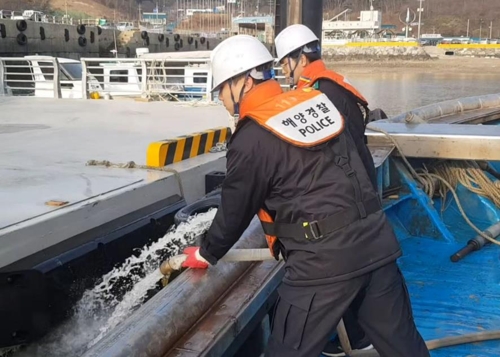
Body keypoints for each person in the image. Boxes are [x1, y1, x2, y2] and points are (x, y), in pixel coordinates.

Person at [181, 34, 430, 357]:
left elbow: (235, 209)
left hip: (321, 264)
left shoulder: (252, 136)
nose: (221, 100)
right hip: (376, 243)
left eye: (221, 90)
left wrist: (206, 253)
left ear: (241, 83)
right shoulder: (316, 102)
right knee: (405, 347)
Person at [274, 23, 380, 356]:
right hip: (362, 193)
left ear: (296, 59)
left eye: (284, 64)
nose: (284, 73)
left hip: (342, 203)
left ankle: (355, 338)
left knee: (337, 273)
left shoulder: (316, 94)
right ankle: (357, 336)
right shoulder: (335, 84)